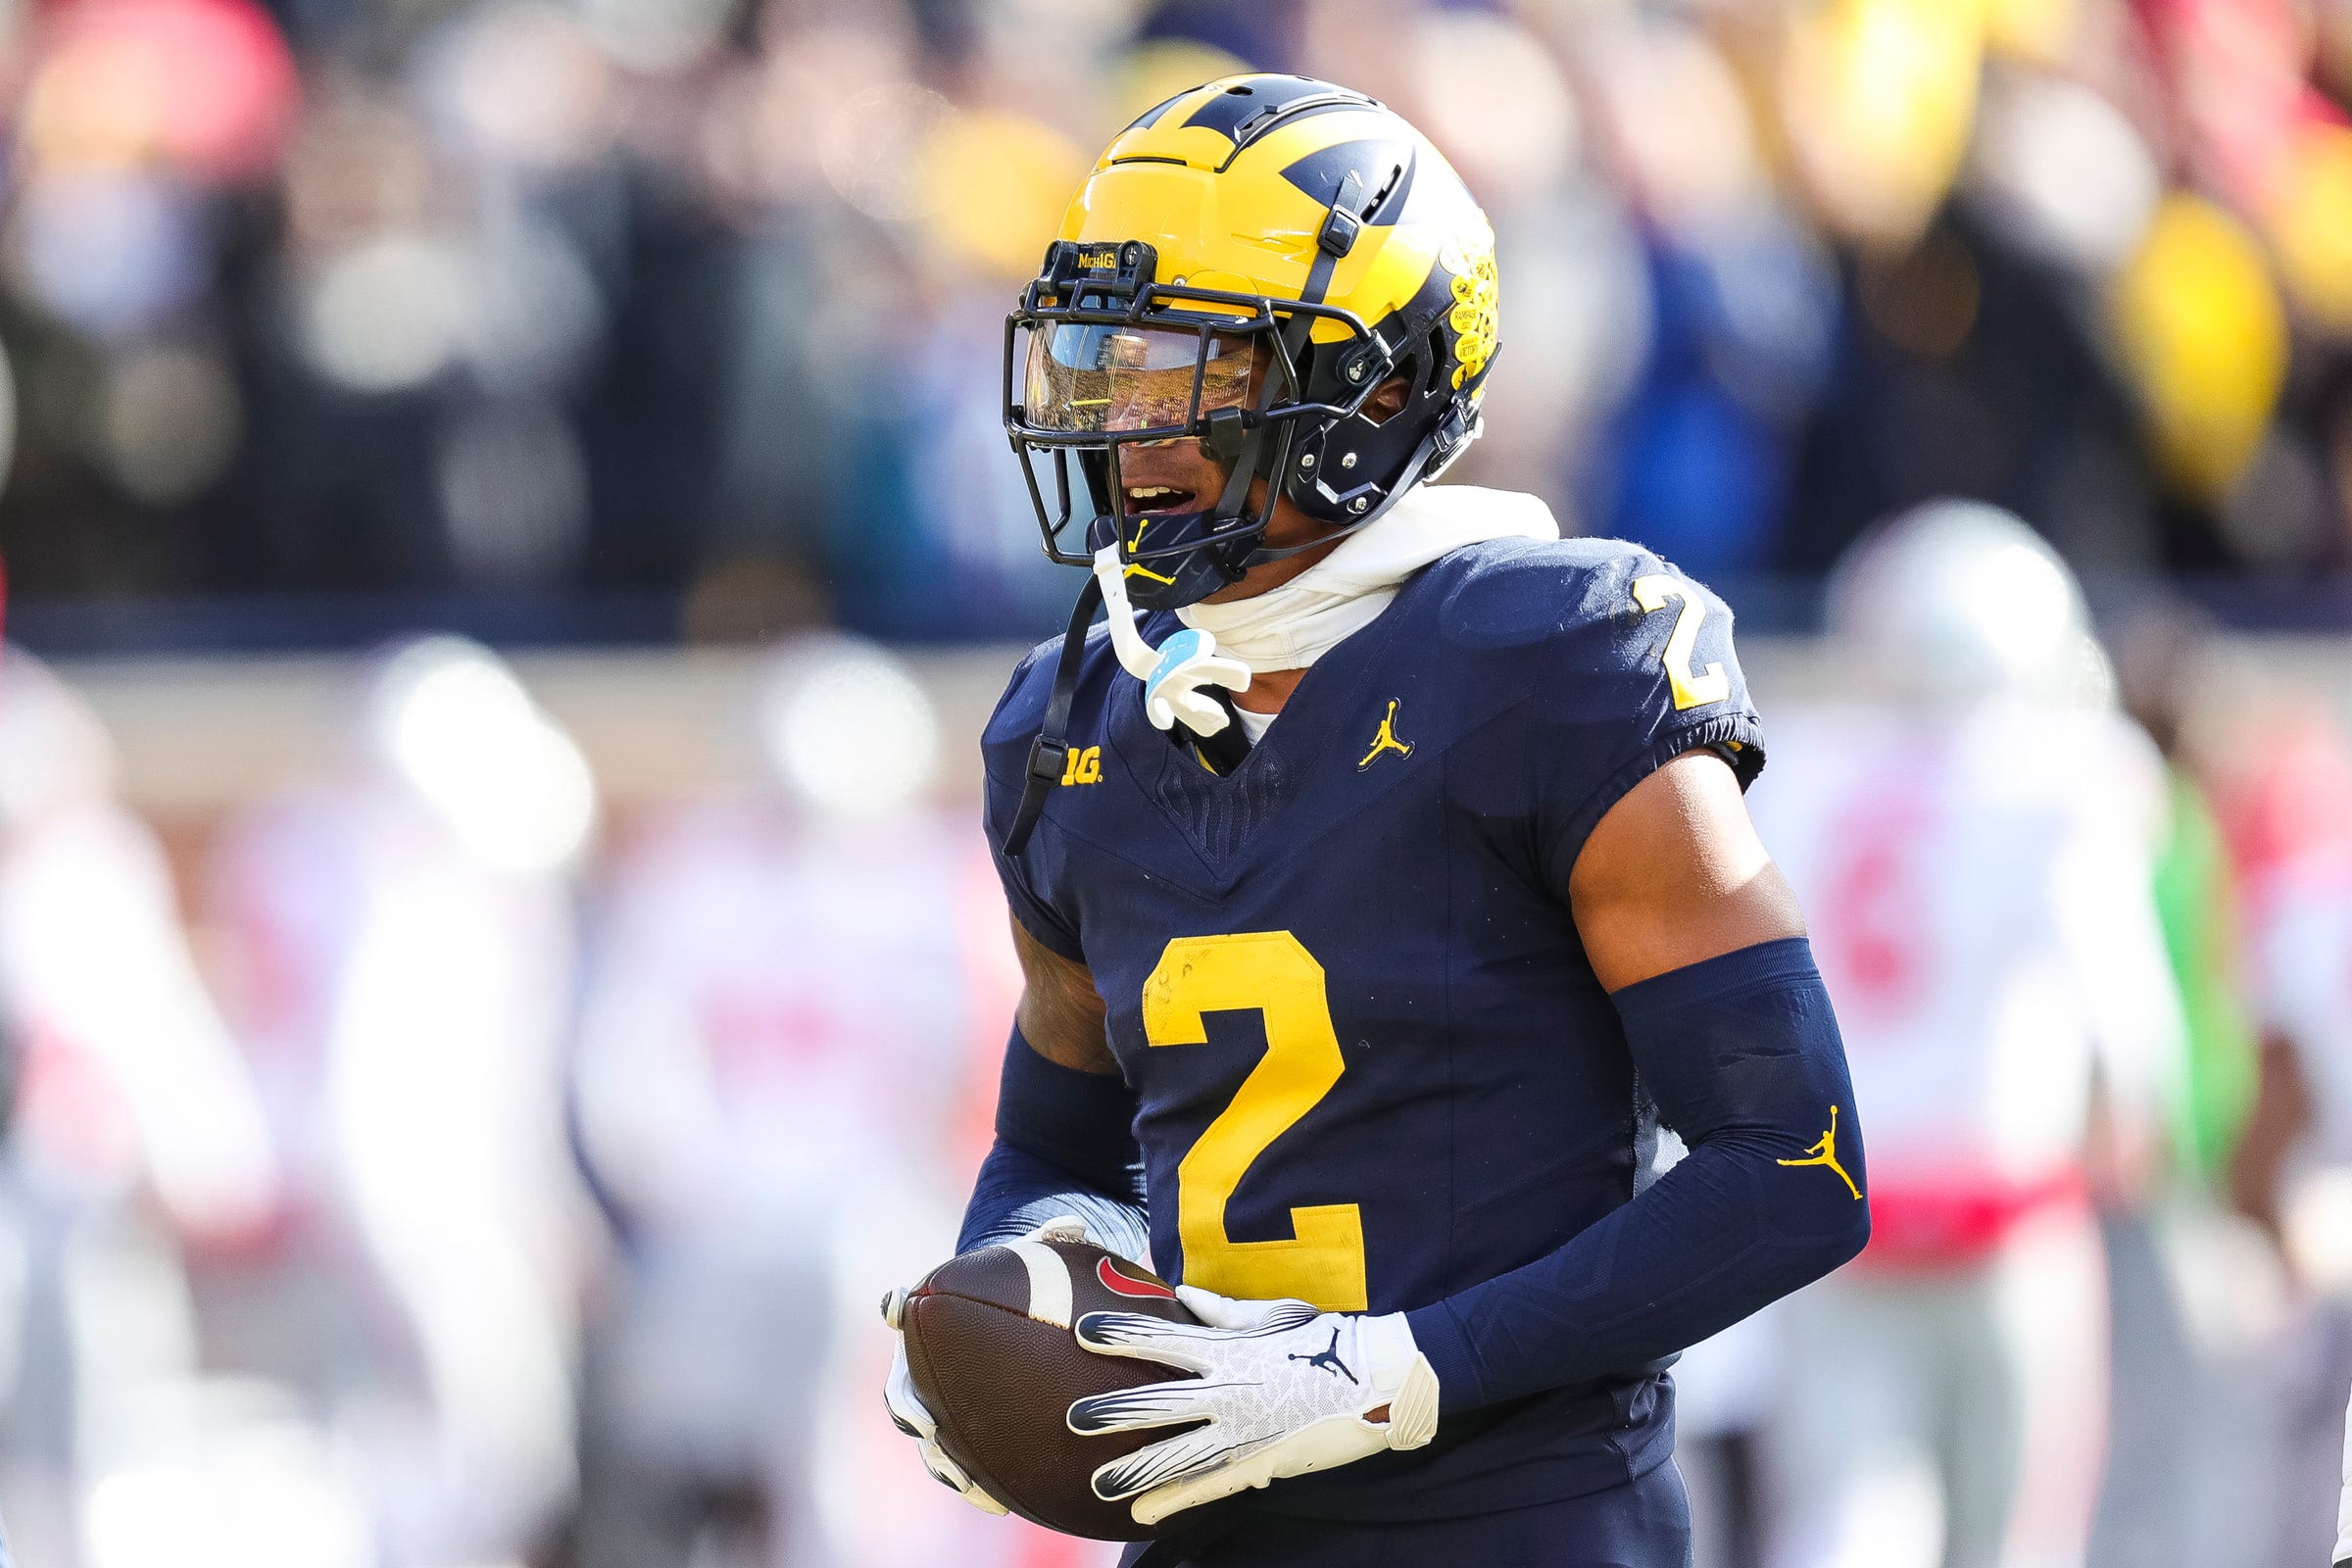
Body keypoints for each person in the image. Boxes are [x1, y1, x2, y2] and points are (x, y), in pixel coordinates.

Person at [878, 74, 1871, 1567]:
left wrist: (1394, 1375)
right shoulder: (1070, 716)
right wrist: (1009, 1293)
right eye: (1103, 361)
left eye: (1186, 368)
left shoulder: (1554, 657)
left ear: (1377, 385)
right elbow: (1053, 1148)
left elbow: (1794, 1167)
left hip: (1520, 1521)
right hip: (1209, 1521)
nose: (1127, 424)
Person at [1744, 503, 2183, 1568]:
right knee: (2018, 1536)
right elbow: (2120, 994)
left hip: (1836, 1202)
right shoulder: (2070, 771)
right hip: (2005, 1208)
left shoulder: (1802, 761)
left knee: (1846, 1521)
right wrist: (2142, 1118)